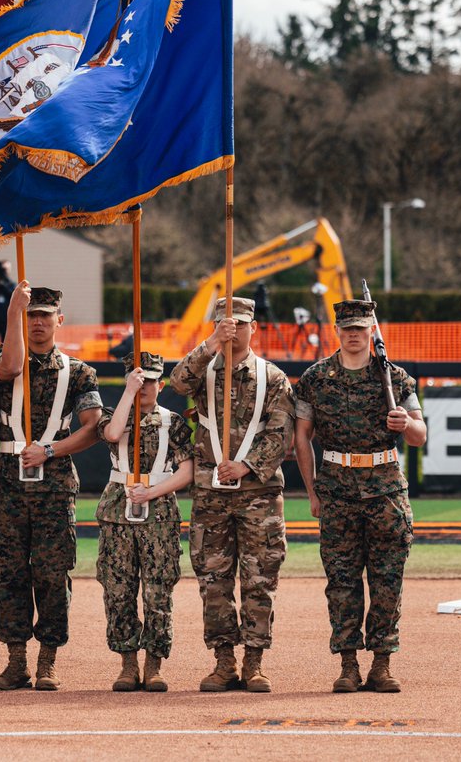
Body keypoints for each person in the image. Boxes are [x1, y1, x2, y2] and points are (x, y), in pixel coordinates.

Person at [294, 298, 427, 693]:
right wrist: (312, 491)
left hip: (385, 489)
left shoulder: (396, 377)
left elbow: (420, 436)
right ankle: (348, 665)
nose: (354, 334)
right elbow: (302, 437)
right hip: (336, 488)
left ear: (372, 331)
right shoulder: (316, 378)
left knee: (388, 579)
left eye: (361, 328)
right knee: (342, 580)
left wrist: (406, 424)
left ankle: (382, 664)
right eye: (347, 328)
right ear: (337, 330)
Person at [168, 296, 295, 693]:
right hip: (211, 494)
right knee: (214, 579)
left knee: (260, 579)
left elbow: (281, 433)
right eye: (226, 323)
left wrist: (247, 465)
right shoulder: (205, 370)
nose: (234, 329)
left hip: (258, 492)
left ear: (252, 327)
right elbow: (176, 382)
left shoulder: (272, 377)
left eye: (241, 323)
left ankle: (254, 662)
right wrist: (208, 345)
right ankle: (223, 662)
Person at [0, 283, 102, 691]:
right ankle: (16, 660)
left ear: (59, 319)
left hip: (54, 486)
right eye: (30, 315)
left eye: (44, 315)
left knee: (53, 574)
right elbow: (9, 370)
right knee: (9, 573)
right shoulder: (2, 355)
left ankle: (48, 659)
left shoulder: (79, 372)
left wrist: (50, 450)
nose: (37, 322)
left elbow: (92, 430)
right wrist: (11, 313)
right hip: (7, 484)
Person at [96, 352, 194, 692]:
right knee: (118, 589)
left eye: (150, 380)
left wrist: (152, 492)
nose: (145, 387)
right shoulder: (117, 415)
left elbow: (187, 469)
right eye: (139, 380)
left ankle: (154, 664)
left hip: (159, 513)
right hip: (117, 513)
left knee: (158, 590)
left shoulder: (173, 422)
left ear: (160, 384)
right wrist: (127, 393)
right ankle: (127, 663)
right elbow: (110, 433)